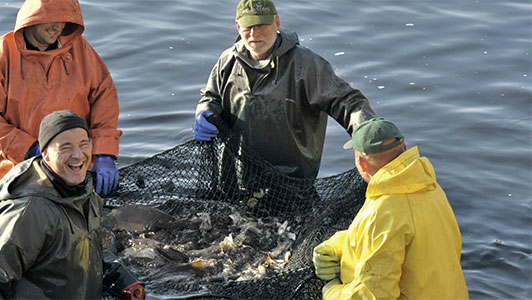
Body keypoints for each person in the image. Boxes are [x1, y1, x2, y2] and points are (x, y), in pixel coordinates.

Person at [0, 110, 145, 299]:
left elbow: (89, 257)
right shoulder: (28, 211)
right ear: (45, 155)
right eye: (65, 147)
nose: (78, 155)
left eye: (83, 144)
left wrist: (124, 282)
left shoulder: (89, 196)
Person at [194, 0, 376, 179]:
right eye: (248, 26)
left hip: (291, 182)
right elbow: (211, 96)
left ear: (277, 22)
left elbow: (347, 101)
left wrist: (369, 131)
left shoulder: (306, 64)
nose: (254, 33)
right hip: (235, 176)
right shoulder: (227, 61)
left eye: (261, 24)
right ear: (238, 26)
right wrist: (205, 111)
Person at [0, 0, 122, 195]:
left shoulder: (81, 50)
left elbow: (105, 99)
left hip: (75, 165)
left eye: (64, 20)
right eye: (50, 19)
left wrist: (105, 153)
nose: (57, 27)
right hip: (18, 171)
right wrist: (31, 150)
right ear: (32, 18)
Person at [312, 118, 468, 299]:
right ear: (404, 148)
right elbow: (399, 236)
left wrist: (332, 291)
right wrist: (340, 245)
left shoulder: (383, 211)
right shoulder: (429, 187)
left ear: (362, 163)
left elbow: (374, 295)